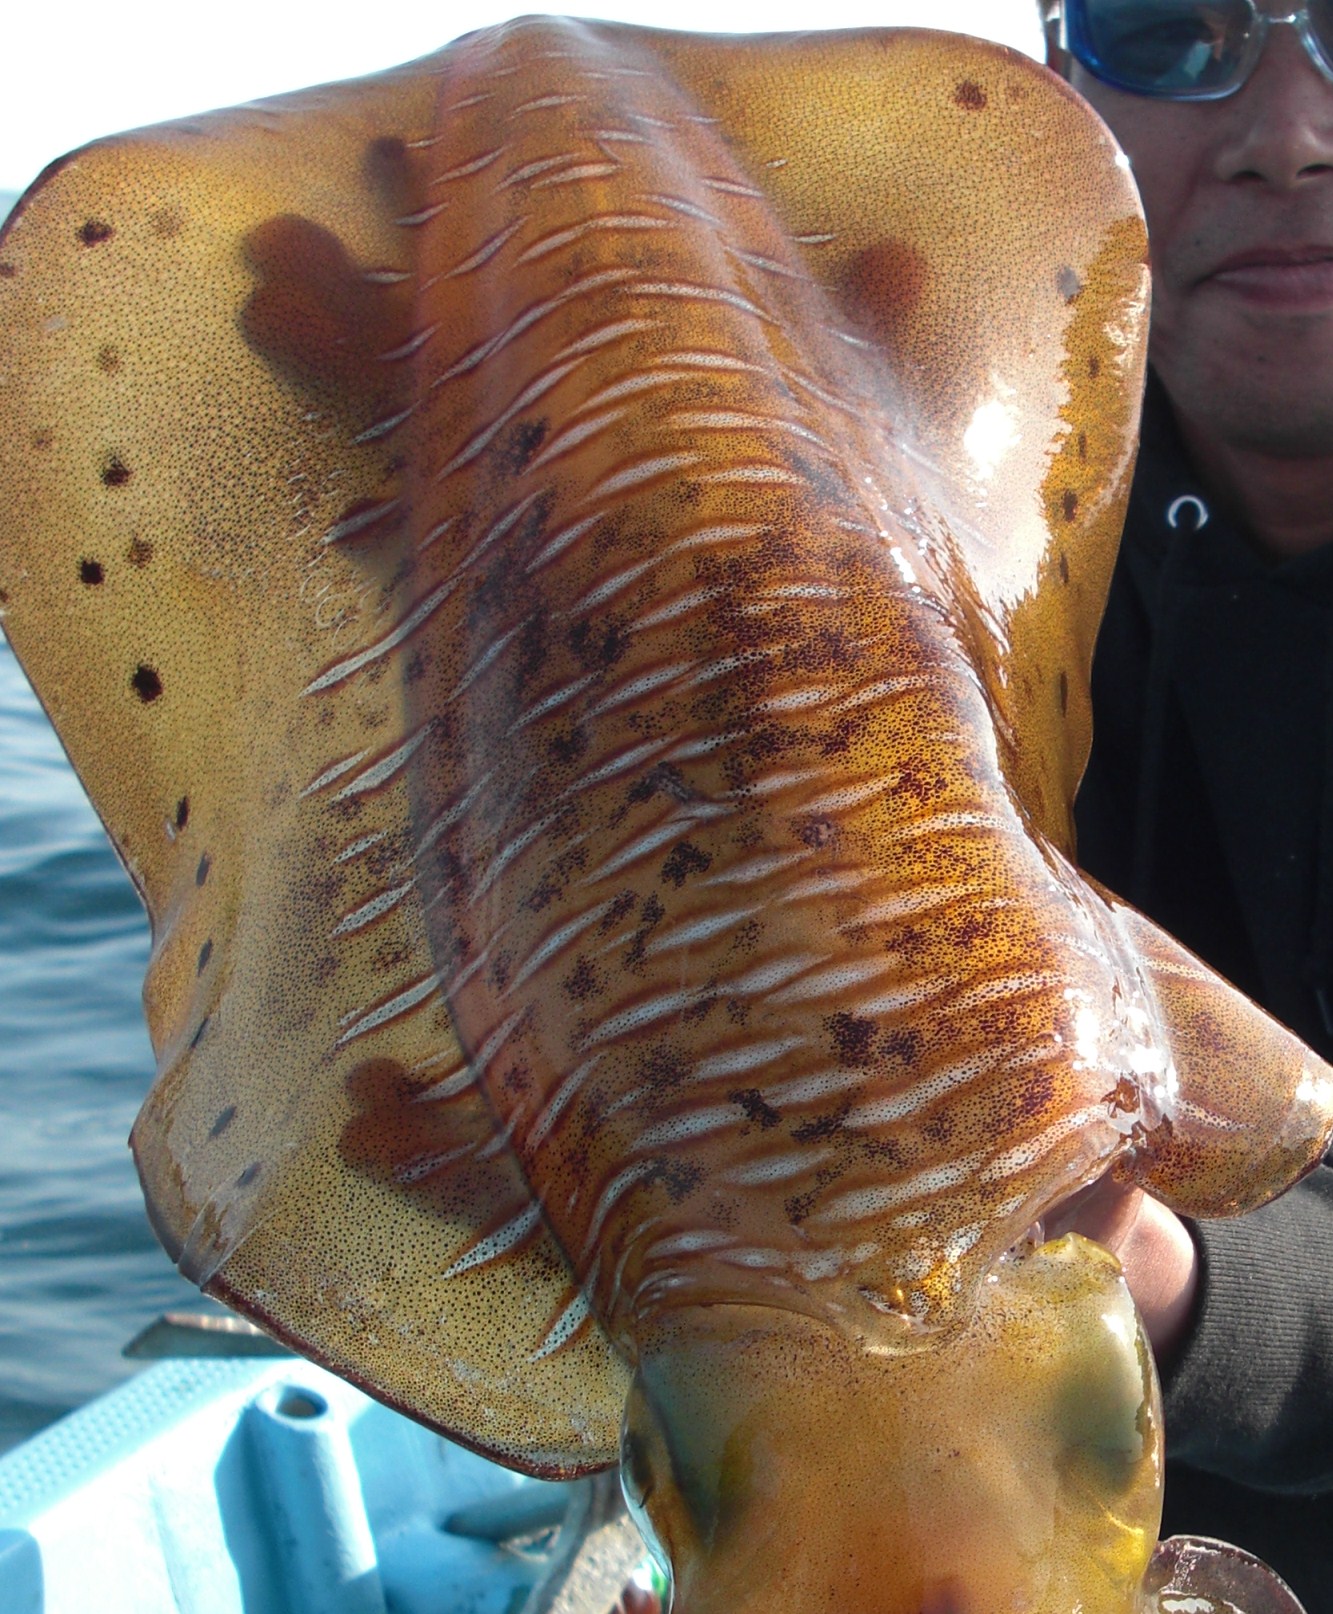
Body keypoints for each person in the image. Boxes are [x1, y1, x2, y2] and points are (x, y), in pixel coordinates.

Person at [1038, 1, 1333, 1603]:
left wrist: (1149, 1258)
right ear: (1051, 84)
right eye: (1166, 29)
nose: (1287, 131)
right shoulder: (916, 550)